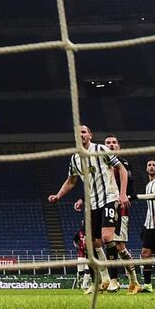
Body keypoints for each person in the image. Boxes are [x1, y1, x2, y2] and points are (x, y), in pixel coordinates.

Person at [48, 126, 133, 294]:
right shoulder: (75, 159)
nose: (81, 135)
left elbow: (122, 169)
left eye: (84, 132)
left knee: (108, 236)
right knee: (89, 243)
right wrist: (58, 196)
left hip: (109, 199)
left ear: (90, 135)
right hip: (92, 204)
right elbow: (71, 181)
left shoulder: (101, 149)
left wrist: (122, 193)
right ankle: (102, 280)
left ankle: (115, 280)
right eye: (78, 133)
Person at [75, 134, 139, 292]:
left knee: (119, 246)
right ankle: (106, 279)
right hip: (98, 206)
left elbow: (129, 187)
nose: (111, 145)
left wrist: (123, 195)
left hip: (119, 207)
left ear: (119, 145)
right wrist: (83, 199)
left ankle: (133, 279)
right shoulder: (98, 159)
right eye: (108, 142)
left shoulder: (122, 164)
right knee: (97, 241)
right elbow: (93, 184)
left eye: (114, 142)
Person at [135, 159, 155, 292]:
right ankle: (148, 285)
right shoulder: (148, 185)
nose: (151, 167)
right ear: (146, 169)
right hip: (149, 224)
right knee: (145, 254)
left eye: (153, 165)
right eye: (149, 165)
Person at [73, 223, 91, 290]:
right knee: (81, 272)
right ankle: (78, 282)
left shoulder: (92, 232)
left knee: (88, 270)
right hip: (81, 255)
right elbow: (74, 240)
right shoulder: (80, 232)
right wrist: (77, 247)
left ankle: (84, 286)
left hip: (89, 255)